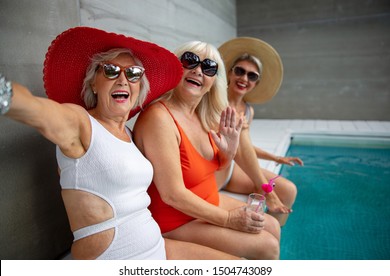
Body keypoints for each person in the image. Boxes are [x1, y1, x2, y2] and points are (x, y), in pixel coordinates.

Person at [0, 27, 240, 260]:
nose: (124, 79)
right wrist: (5, 93)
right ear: (94, 83)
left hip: (157, 248)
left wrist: (226, 155)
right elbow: (36, 109)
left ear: (139, 88)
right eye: (111, 70)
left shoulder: (127, 132)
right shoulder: (80, 123)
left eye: (134, 73)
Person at [133, 41, 281, 260]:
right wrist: (229, 219)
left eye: (209, 67)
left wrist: (228, 153)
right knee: (266, 246)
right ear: (176, 66)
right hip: (175, 219)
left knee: (273, 226)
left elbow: (217, 168)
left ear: (214, 81)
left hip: (206, 202)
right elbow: (172, 195)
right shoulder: (159, 118)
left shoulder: (203, 115)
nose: (198, 70)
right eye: (190, 61)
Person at [217, 37, 304, 226]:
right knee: (268, 187)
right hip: (214, 168)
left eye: (252, 76)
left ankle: (276, 236)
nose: (244, 79)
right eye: (239, 71)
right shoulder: (215, 101)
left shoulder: (248, 110)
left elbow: (244, 146)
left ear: (256, 82)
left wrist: (276, 158)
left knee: (289, 190)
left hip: (232, 169)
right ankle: (267, 192)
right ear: (230, 73)